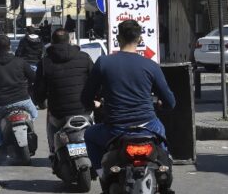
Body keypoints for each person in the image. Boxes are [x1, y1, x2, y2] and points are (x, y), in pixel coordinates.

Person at [81, 20, 175, 180]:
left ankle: (102, 175)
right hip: (149, 127)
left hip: (115, 130)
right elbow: (170, 102)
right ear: (139, 39)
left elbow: (86, 97)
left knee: (89, 134)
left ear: (118, 38)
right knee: (162, 140)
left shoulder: (104, 63)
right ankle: (164, 172)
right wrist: (160, 105)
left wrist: (94, 105)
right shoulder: (151, 65)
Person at [33, 28, 94, 154]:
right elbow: (95, 81)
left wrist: (40, 102)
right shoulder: (85, 57)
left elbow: (39, 90)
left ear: (52, 42)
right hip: (85, 110)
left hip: (59, 113)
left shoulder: (45, 63)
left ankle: (54, 151)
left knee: (52, 123)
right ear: (70, 41)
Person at [0, 34, 37, 164]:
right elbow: (34, 78)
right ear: (10, 46)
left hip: (1, 104)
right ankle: (29, 134)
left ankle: (1, 147)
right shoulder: (20, 62)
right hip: (23, 101)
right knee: (34, 114)